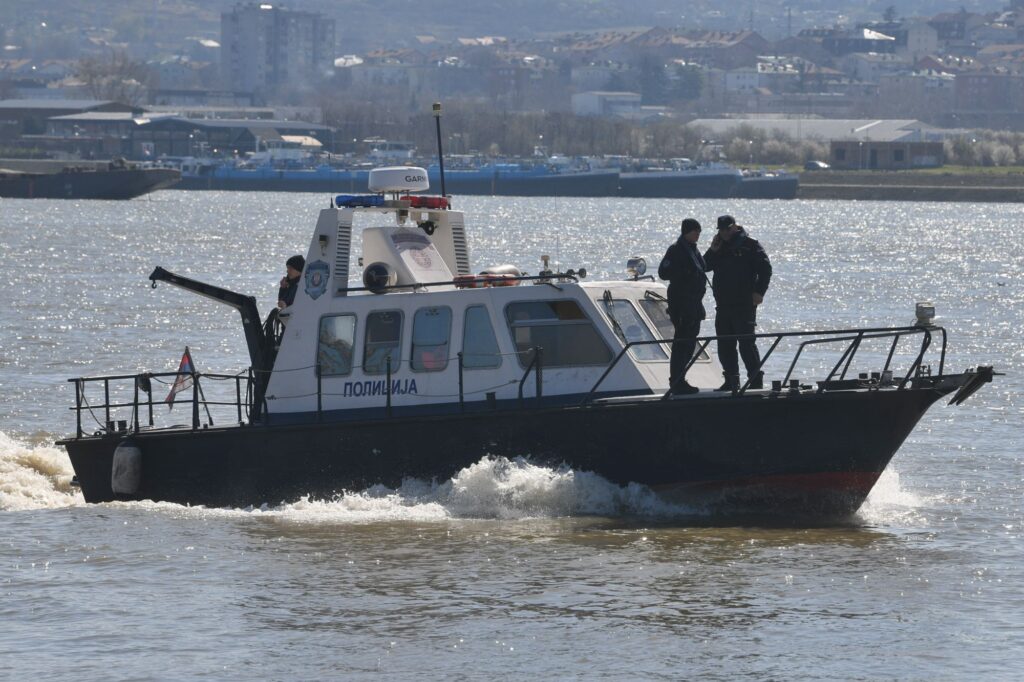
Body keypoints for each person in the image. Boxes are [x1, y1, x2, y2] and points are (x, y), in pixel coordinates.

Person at [704, 215, 772, 391]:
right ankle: (731, 380)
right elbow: (704, 266)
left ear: (734, 227)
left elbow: (765, 269)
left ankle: (755, 380)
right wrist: (712, 250)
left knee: (746, 343)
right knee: (725, 344)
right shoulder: (719, 246)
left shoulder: (750, 244)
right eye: (721, 230)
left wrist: (759, 292)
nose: (725, 233)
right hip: (724, 303)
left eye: (727, 229)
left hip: (744, 304)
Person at [658, 218, 707, 394]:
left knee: (689, 344)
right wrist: (683, 272)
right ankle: (676, 381)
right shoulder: (676, 250)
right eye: (695, 231)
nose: (698, 234)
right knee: (681, 343)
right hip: (681, 303)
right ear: (686, 231)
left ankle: (681, 378)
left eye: (699, 231)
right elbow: (663, 272)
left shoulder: (694, 250)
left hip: (694, 303)